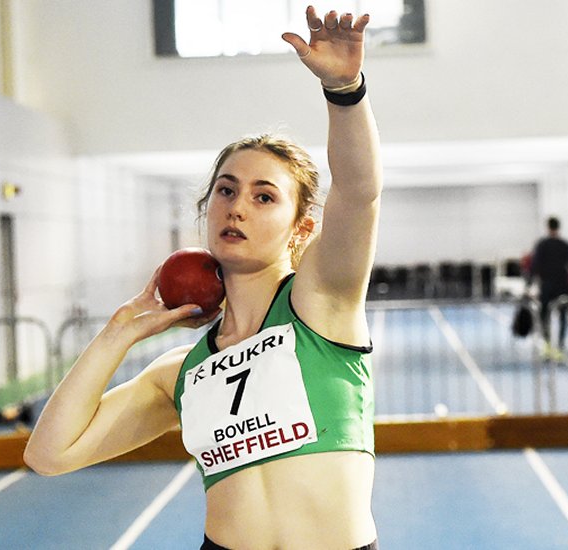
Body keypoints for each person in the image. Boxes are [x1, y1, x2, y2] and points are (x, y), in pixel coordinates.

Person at [24, 7, 381, 549]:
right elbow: (48, 454)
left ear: (301, 227)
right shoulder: (182, 372)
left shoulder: (319, 305)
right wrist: (119, 331)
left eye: (265, 196)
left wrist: (344, 88)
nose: (238, 207)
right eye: (226, 190)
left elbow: (358, 192)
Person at [526, 217, 568, 359]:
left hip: (546, 285)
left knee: (545, 315)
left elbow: (534, 265)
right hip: (562, 285)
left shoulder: (542, 245)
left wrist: (529, 283)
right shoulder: (565, 245)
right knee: (563, 316)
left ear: (547, 227)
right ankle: (560, 345)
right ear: (559, 227)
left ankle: (547, 344)